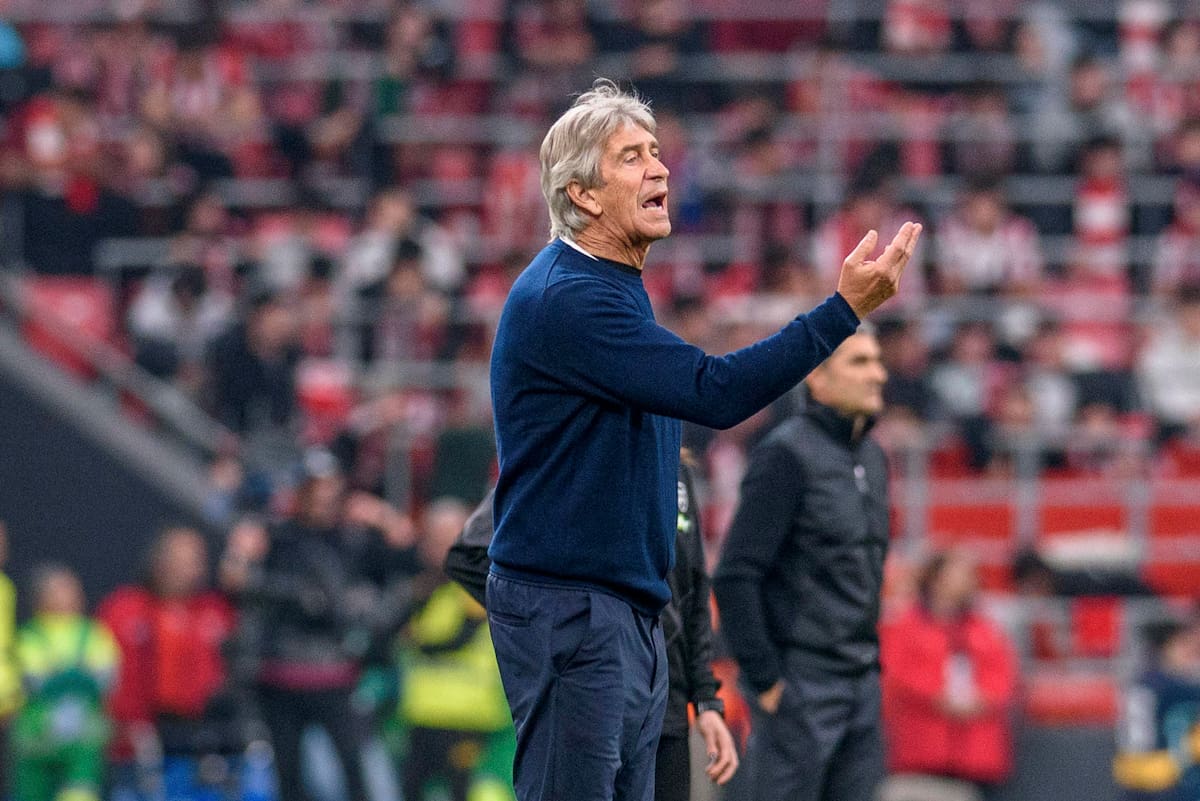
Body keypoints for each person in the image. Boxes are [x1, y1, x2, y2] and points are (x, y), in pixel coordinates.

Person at [486, 78, 920, 801]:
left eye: (657, 152)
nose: (659, 168)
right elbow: (715, 392)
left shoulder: (612, 287)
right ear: (584, 195)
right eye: (631, 157)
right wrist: (842, 310)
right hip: (571, 604)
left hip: (619, 607)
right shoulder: (571, 296)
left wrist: (692, 678)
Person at [444, 451, 739, 801]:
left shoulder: (673, 468)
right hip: (591, 695)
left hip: (667, 706)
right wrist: (559, 625)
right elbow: (470, 554)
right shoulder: (574, 451)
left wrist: (706, 700)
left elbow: (692, 589)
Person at [712, 328, 891, 801]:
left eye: (876, 360)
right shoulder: (785, 455)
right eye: (860, 363)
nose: (879, 374)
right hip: (801, 682)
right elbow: (735, 573)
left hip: (861, 682)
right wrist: (767, 679)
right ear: (818, 379)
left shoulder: (873, 457)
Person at [236, 449, 415, 801]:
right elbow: (242, 587)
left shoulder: (354, 539)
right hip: (281, 674)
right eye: (314, 490)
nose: (322, 500)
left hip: (336, 676)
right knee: (289, 775)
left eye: (330, 491)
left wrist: (388, 521)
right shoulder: (275, 538)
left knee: (355, 772)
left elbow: (406, 570)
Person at [98, 526, 239, 800]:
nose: (190, 568)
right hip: (138, 748)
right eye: (180, 558)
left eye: (196, 559)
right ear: (158, 560)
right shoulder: (123, 609)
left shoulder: (216, 610)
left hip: (202, 745)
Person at [878, 549, 1019, 801]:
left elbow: (1002, 676)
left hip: (977, 751)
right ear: (936, 578)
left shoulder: (985, 628)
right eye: (960, 573)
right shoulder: (905, 625)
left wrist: (981, 699)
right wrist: (938, 697)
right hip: (922, 749)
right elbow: (896, 673)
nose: (969, 580)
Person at [11, 564, 119, 801]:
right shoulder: (29, 635)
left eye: (68, 589)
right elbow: (31, 679)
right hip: (37, 737)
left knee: (80, 790)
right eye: (55, 590)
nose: (63, 596)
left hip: (83, 738)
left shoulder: (93, 633)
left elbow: (106, 675)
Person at [1113, 618, 1200, 801]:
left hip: (1132, 775)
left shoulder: (1141, 681)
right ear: (1166, 648)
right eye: (1183, 645)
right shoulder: (1174, 688)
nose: (1191, 652)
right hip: (1166, 778)